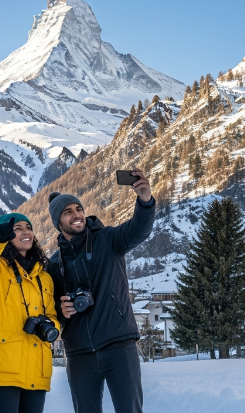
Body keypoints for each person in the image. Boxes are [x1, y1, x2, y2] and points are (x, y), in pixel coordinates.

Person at [47, 168, 155, 413]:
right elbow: (49, 309)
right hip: (79, 353)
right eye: (68, 212)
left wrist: (145, 200)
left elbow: (139, 230)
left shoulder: (108, 240)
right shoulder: (53, 264)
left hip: (118, 344)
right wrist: (61, 310)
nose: (76, 215)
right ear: (58, 222)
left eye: (79, 209)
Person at [0, 212, 60, 413]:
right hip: (1, 367)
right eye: (17, 229)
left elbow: (54, 316)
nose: (25, 232)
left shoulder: (44, 277)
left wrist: (51, 328)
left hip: (37, 370)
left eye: (28, 228)